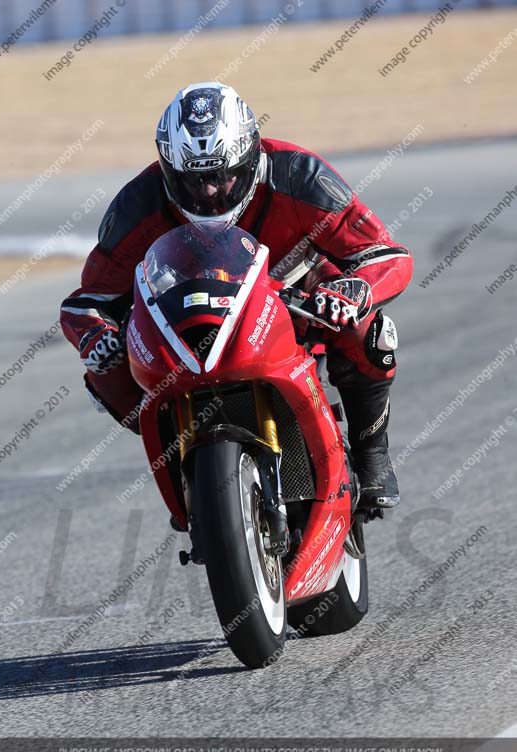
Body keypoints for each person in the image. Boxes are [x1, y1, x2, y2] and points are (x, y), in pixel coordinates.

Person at [60, 82, 413, 510]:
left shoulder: (300, 176)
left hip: (297, 300)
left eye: (222, 175)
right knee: (104, 368)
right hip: (186, 320)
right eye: (194, 180)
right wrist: (95, 334)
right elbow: (86, 301)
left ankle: (371, 455)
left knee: (370, 330)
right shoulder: (139, 203)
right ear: (168, 168)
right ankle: (185, 467)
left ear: (250, 155)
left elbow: (385, 253)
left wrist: (355, 290)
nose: (210, 191)